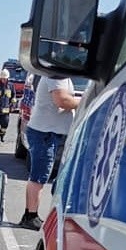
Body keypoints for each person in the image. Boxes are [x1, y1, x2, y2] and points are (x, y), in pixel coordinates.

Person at [18, 76, 81, 230]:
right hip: (45, 133)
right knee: (39, 176)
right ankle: (30, 216)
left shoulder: (61, 76)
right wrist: (85, 100)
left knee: (38, 176)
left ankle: (30, 215)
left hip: (48, 132)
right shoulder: (56, 75)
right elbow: (62, 100)